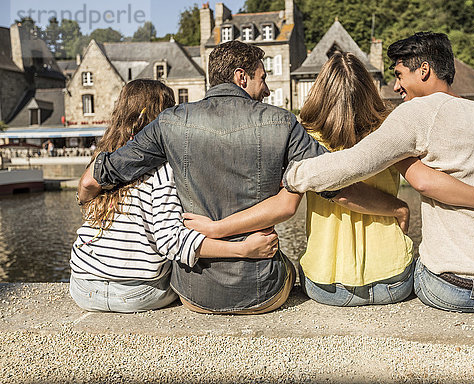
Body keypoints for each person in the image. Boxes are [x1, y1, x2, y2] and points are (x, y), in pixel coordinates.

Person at [77, 41, 412, 314]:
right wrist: (394, 208)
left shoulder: (169, 122)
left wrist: (85, 196)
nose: (266, 88)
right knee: (290, 269)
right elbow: (334, 185)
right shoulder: (282, 123)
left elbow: (103, 172)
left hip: (194, 295)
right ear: (241, 77)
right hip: (261, 291)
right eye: (262, 78)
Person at [183, 51, 474, 308]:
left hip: (325, 285)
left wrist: (216, 229)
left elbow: (285, 205)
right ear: (368, 90)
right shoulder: (392, 132)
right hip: (392, 281)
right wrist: (402, 208)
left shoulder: (304, 137)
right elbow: (427, 181)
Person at [283, 33, 474, 313]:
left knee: (424, 265)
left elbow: (354, 164)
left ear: (423, 70)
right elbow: (423, 179)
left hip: (447, 288)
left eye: (400, 75)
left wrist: (293, 174)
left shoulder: (413, 114)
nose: (397, 86)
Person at [70, 79, 278, 313]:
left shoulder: (103, 162)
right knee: (188, 281)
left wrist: (85, 202)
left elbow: (86, 189)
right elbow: (172, 241)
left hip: (82, 285)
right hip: (137, 292)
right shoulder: (163, 168)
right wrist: (244, 249)